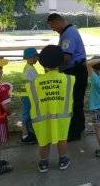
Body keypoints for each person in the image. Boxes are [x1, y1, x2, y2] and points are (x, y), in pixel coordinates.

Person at [26, 45, 75, 173]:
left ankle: (43, 164)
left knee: (44, 141)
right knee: (62, 139)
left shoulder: (34, 82)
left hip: (41, 119)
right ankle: (63, 160)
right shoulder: (68, 79)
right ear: (61, 61)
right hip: (62, 118)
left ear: (42, 64)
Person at [47, 13, 87, 142]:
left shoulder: (68, 34)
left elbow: (66, 57)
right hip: (74, 71)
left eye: (52, 26)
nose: (53, 29)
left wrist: (50, 65)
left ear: (58, 22)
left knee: (75, 101)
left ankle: (75, 132)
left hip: (76, 71)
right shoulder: (67, 32)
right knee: (74, 101)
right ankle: (77, 128)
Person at [20, 47, 38, 144]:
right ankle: (25, 136)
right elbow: (36, 81)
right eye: (36, 57)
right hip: (27, 96)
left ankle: (29, 134)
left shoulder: (29, 67)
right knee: (26, 116)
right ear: (30, 57)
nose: (37, 59)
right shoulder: (29, 69)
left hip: (27, 95)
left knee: (29, 115)